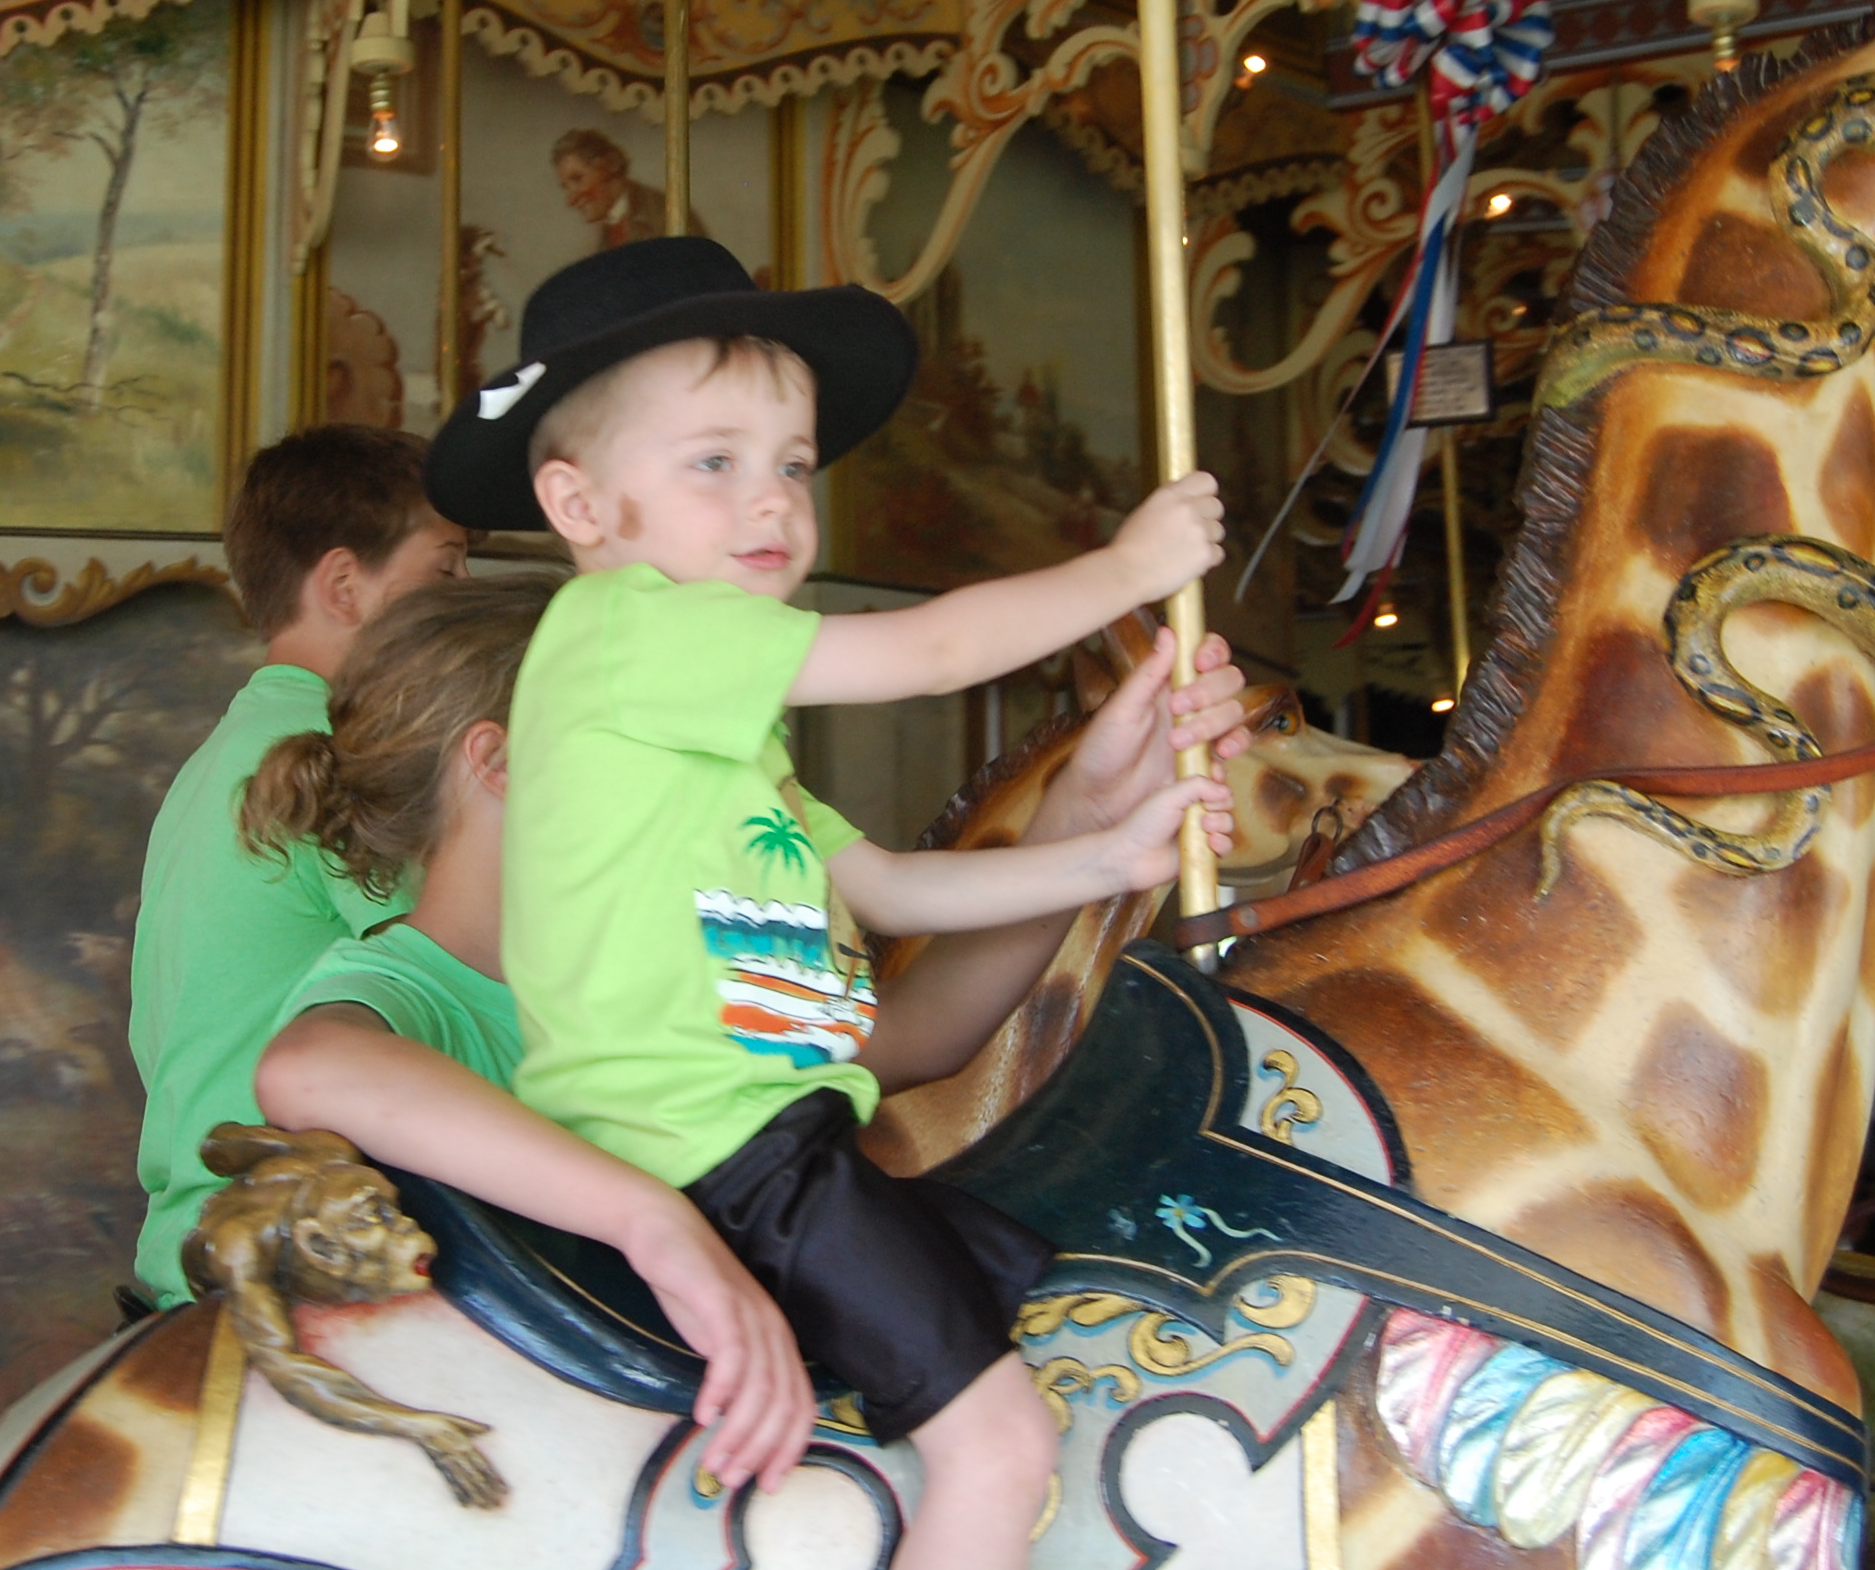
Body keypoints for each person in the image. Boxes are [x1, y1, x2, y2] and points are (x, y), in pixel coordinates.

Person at [423, 236, 1234, 1567]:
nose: (773, 502)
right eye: (714, 461)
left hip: (773, 1138)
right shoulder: (626, 632)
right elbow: (935, 651)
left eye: (793, 465)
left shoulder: (712, 752)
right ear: (579, 504)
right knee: (1007, 1445)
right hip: (721, 1152)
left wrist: (1111, 856)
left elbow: (899, 890)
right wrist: (1129, 569)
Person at [242, 572, 1251, 1497]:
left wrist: (1085, 809)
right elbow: (309, 1065)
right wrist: (651, 1217)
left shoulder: (673, 973)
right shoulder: (414, 989)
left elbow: (911, 1030)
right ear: (501, 760)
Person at [125, 425, 469, 1305]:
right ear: (346, 585)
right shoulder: (329, 759)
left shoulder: (223, 756)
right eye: (447, 568)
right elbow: (479, 971)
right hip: (295, 1230)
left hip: (200, 1224)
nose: (463, 597)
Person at [550, 128, 707, 249]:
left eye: (577, 179)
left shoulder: (662, 215)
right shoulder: (609, 228)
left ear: (608, 165)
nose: (570, 200)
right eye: (565, 187)